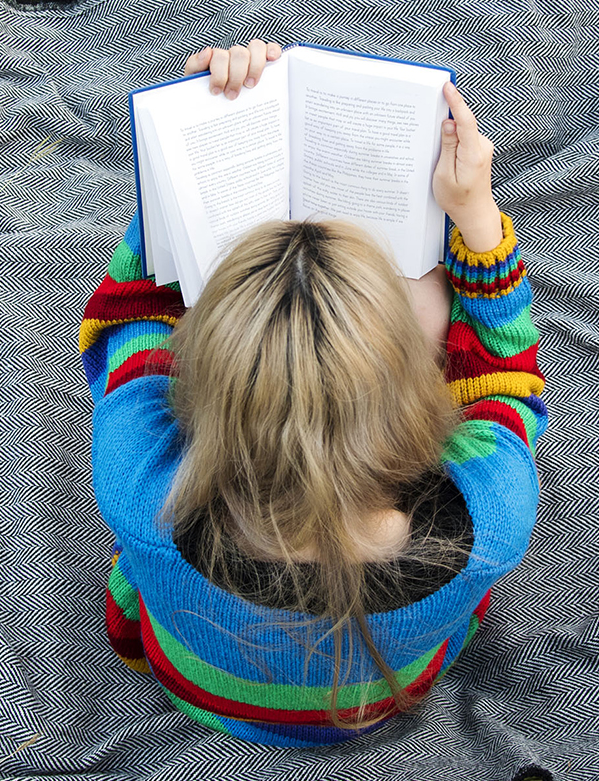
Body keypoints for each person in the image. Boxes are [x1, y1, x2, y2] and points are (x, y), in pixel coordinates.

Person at [81, 41, 544, 746]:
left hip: (190, 678)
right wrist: (474, 223)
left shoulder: (137, 486)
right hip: (387, 694)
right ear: (422, 384)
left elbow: (131, 310)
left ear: (201, 376)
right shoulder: (490, 520)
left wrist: (183, 151)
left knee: (131, 576)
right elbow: (507, 377)